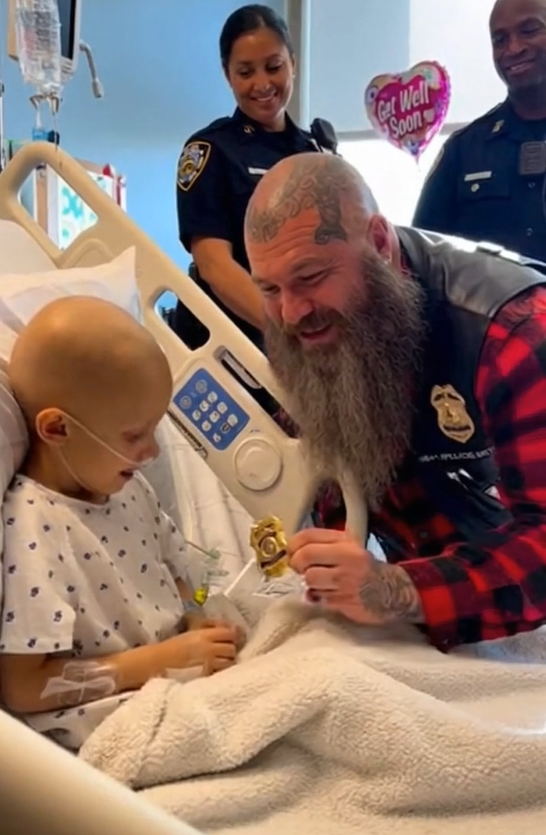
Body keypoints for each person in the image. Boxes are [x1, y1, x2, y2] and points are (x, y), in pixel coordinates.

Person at [244, 151, 546, 652]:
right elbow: (337, 486)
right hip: (420, 617)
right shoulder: (314, 329)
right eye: (270, 288)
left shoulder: (514, 333)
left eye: (311, 277)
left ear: (380, 243)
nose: (292, 312)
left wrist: (399, 590)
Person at [0, 296, 241, 750]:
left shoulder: (128, 487)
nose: (152, 451)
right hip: (122, 719)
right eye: (134, 435)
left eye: (154, 430)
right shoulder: (34, 526)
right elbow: (23, 686)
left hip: (181, 682)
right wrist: (159, 661)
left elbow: (175, 573)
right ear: (57, 429)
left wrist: (196, 623)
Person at [173, 3, 337, 350]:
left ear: (293, 63)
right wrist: (288, 330)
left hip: (309, 332)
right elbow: (214, 265)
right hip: (239, 340)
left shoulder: (317, 153)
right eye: (245, 72)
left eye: (274, 67)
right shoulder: (211, 150)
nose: (262, 84)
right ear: (227, 74)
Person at [412, 0, 546, 262]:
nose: (513, 48)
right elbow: (423, 259)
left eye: (529, 30)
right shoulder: (464, 150)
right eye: (500, 40)